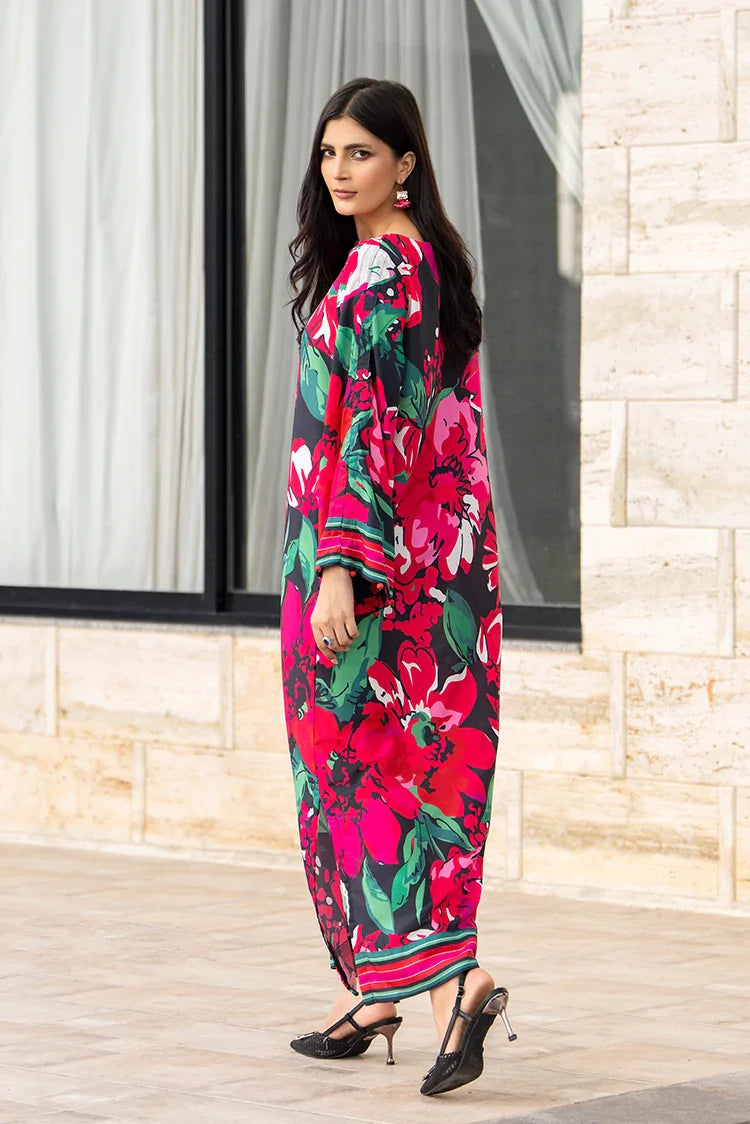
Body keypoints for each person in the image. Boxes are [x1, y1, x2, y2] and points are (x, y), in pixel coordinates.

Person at [280, 77, 515, 1097]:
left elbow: (379, 429)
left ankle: (458, 986)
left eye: (362, 152)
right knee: (408, 774)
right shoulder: (425, 264)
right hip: (436, 574)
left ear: (406, 162)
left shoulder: (382, 271)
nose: (340, 170)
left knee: (363, 778)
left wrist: (339, 566)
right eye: (329, 152)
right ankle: (382, 997)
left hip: (371, 576)